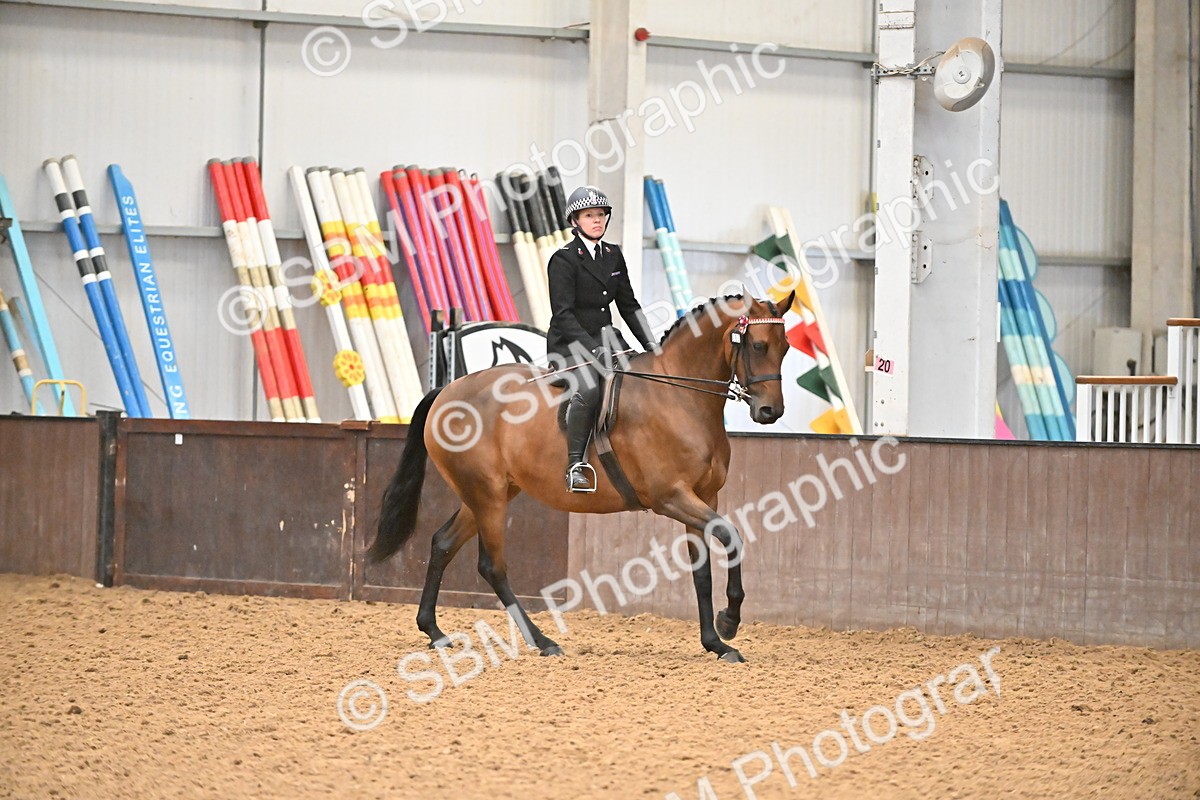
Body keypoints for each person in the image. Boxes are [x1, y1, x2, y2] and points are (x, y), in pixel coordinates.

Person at [545, 186, 656, 493]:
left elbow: (629, 306)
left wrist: (653, 345)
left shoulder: (613, 255)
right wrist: (590, 347)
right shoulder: (563, 260)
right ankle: (576, 465)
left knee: (640, 379)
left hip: (607, 340)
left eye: (601, 215)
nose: (597, 220)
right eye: (589, 215)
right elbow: (562, 314)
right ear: (576, 221)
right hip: (570, 343)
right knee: (592, 387)